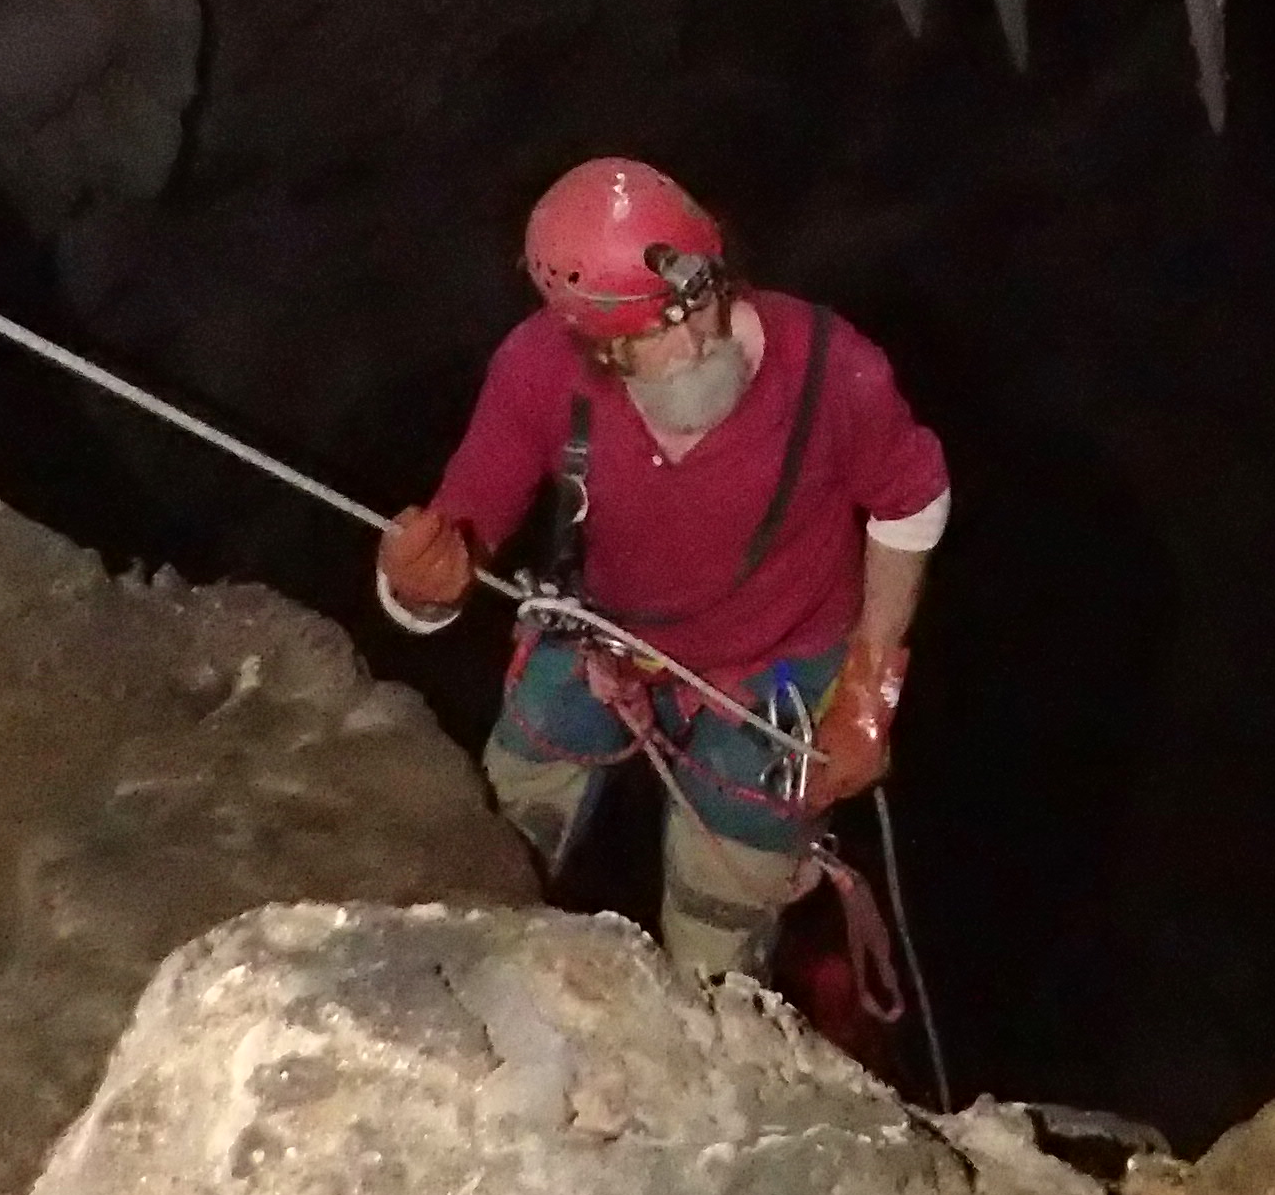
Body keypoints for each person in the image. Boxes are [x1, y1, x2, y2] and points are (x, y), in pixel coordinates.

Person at [376, 156, 951, 988]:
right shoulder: (539, 371)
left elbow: (911, 504)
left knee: (719, 931)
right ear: (589, 342)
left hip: (781, 665)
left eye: (698, 306)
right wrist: (417, 591)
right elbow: (460, 533)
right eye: (647, 335)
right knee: (487, 849)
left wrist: (869, 692)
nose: (689, 347)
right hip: (605, 633)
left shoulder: (830, 371)